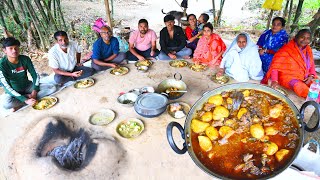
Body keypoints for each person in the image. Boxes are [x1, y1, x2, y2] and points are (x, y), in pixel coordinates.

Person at [0, 37, 56, 111]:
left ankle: (23, 102)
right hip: (14, 90)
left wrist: (35, 91)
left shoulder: (25, 59)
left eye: (16, 47)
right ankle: (27, 100)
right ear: (5, 50)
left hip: (27, 86)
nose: (14, 50)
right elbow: (6, 86)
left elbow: (35, 75)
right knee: (6, 104)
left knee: (52, 88)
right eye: (10, 48)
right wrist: (25, 99)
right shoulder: (2, 64)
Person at [261, 29, 316, 98]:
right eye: (302, 37)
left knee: (316, 85)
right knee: (299, 87)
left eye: (308, 38)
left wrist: (311, 76)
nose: (305, 40)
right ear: (296, 37)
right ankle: (314, 98)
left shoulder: (308, 50)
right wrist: (274, 80)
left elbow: (311, 65)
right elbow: (275, 66)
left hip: (305, 76)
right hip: (288, 77)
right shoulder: (286, 49)